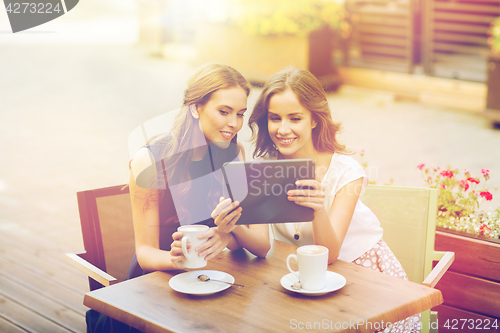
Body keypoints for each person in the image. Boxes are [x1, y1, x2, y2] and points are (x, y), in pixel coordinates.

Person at [86, 63, 270, 333]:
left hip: (209, 280)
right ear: (196, 108)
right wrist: (177, 259)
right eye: (224, 111)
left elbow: (261, 246)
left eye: (240, 114)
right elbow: (145, 252)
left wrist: (227, 234)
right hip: (154, 286)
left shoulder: (234, 152)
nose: (234, 124)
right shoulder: (149, 161)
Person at [248, 67, 420, 333]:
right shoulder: (263, 171)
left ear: (314, 120)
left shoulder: (345, 172)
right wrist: (231, 224)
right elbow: (260, 245)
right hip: (303, 277)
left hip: (362, 272)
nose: (283, 129)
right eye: (274, 118)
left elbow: (330, 254)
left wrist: (318, 209)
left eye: (295, 118)